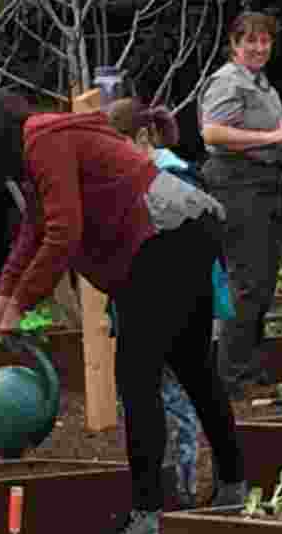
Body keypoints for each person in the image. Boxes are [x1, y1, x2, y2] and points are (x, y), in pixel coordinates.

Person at [0, 88, 246, 534]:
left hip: (163, 234)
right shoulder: (44, 143)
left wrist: (21, 305)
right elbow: (30, 236)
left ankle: (149, 513)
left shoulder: (41, 140)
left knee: (137, 375)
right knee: (192, 366)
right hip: (186, 227)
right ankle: (233, 486)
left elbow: (63, 232)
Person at [197, 11, 282, 400]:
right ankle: (230, 376)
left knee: (263, 282)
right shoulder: (228, 81)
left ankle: (248, 366)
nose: (259, 48)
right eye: (251, 41)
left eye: (265, 41)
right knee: (247, 281)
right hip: (237, 183)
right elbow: (212, 132)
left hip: (264, 184)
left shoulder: (260, 83)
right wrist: (272, 136)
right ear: (234, 44)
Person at [107, 98, 201, 509]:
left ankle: (181, 491)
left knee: (175, 402)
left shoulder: (175, 178)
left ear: (142, 138)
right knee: (141, 401)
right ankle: (150, 492)